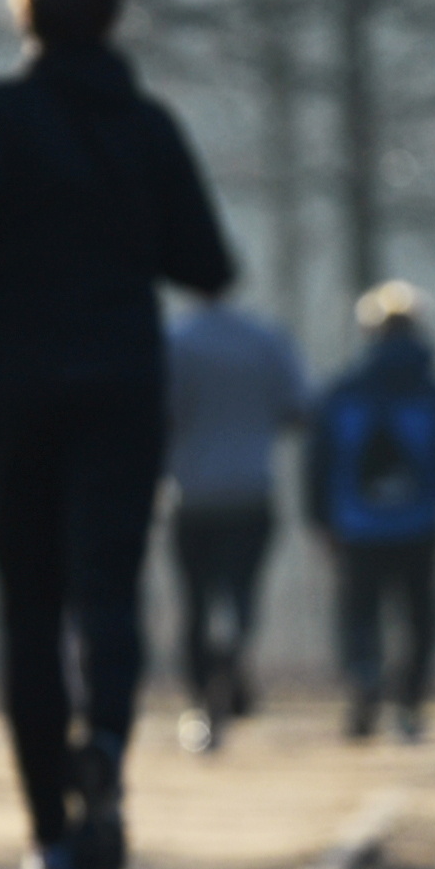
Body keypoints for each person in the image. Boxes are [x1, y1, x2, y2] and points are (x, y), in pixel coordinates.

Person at [0, 0, 236, 869]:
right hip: (124, 382)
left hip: (19, 384)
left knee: (28, 603)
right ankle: (102, 743)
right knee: (108, 586)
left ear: (28, 15)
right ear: (112, 15)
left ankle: (48, 836)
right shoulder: (149, 128)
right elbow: (208, 265)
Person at [311, 282, 435, 742]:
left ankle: (365, 676)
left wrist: (319, 520)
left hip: (357, 524)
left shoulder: (345, 389)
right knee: (421, 617)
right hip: (419, 525)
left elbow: (321, 459)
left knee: (359, 614)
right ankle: (409, 702)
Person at [162, 288, 311, 749]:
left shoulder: (173, 341)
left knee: (195, 599)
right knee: (241, 590)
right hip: (251, 492)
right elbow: (303, 408)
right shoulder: (266, 341)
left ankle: (199, 699)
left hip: (192, 496)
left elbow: (153, 410)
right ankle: (231, 655)